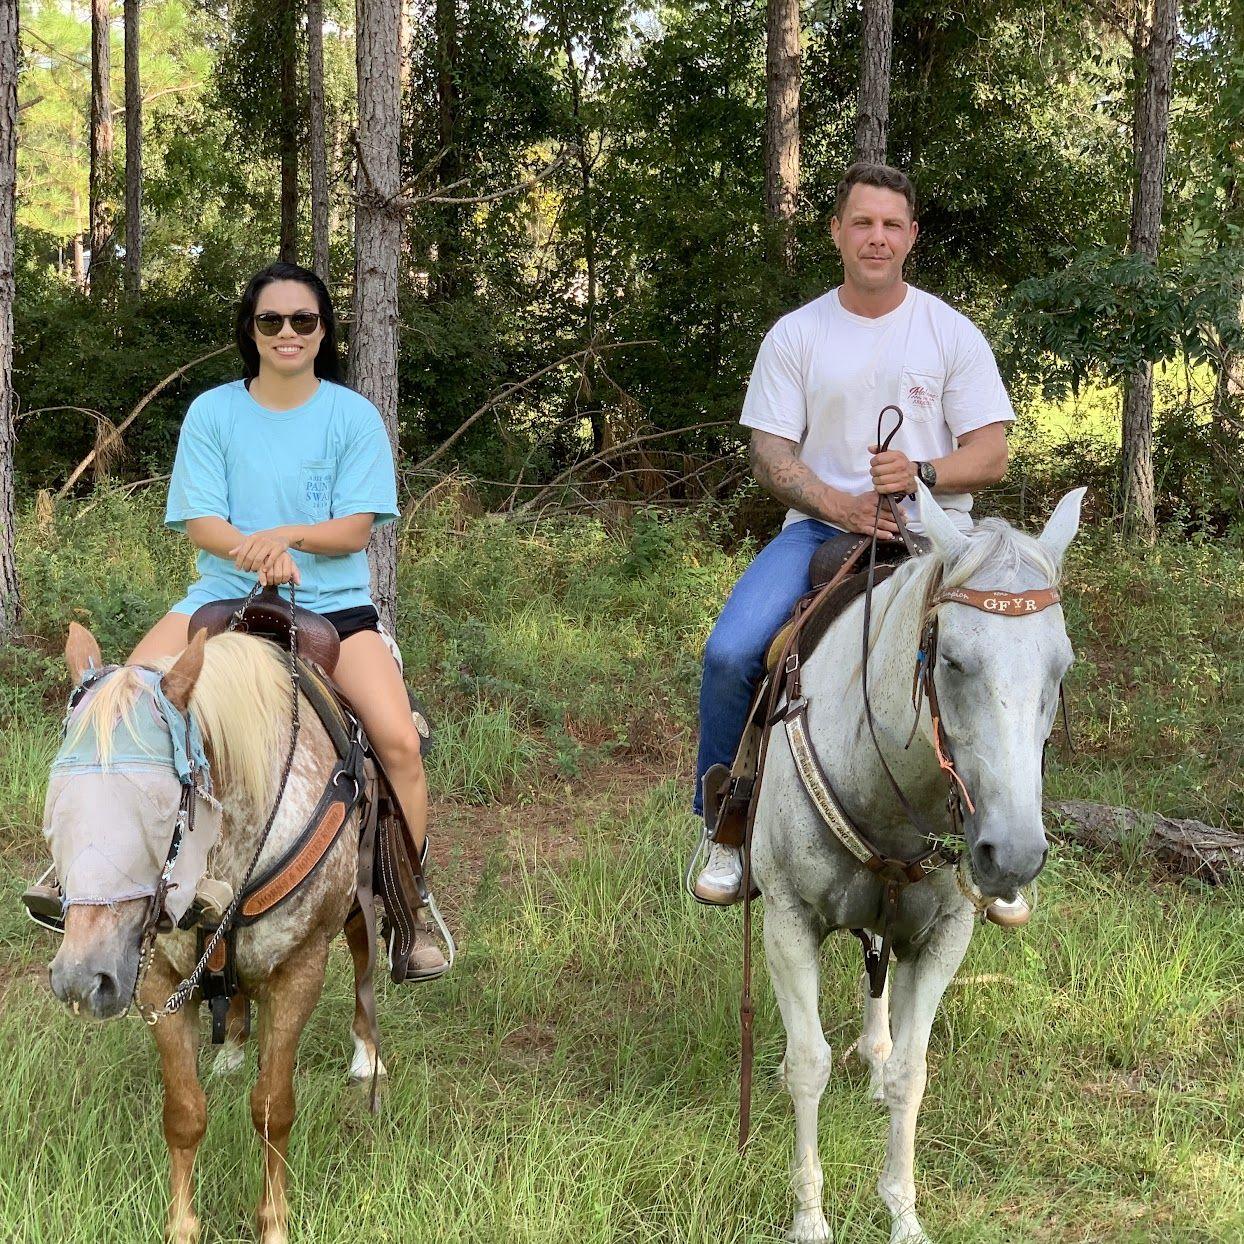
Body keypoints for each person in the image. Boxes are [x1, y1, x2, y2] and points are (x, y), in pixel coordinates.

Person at [690, 162, 1028, 925]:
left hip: (941, 532)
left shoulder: (949, 331)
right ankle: (729, 828)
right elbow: (770, 456)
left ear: (911, 237)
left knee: (1011, 659)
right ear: (837, 232)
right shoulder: (798, 334)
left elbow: (994, 454)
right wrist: (840, 503)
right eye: (862, 223)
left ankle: (1004, 848)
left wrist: (924, 473)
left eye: (891, 225)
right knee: (730, 653)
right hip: (818, 527)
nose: (877, 237)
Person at [129, 260, 451, 978]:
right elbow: (200, 521)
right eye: (270, 320)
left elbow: (357, 527)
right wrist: (253, 548)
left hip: (333, 609)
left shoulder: (350, 416)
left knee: (398, 743)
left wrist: (288, 537)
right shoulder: (213, 411)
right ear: (251, 330)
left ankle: (410, 908)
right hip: (221, 597)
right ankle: (112, 890)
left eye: (302, 321)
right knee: (126, 699)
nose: (286, 333)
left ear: (322, 330)